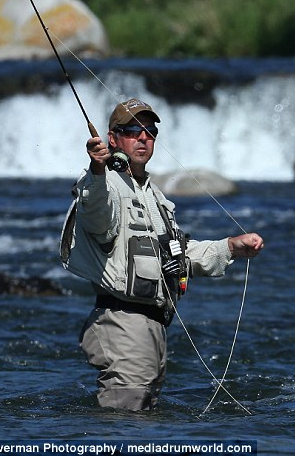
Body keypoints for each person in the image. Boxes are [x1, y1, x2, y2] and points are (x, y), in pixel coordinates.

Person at [60, 97, 264, 411]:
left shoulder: (153, 195)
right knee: (124, 422)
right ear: (113, 138)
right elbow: (98, 217)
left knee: (141, 419)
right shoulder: (103, 185)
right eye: (132, 130)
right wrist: (97, 170)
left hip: (153, 327)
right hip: (122, 321)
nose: (143, 137)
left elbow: (177, 253)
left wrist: (230, 247)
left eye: (150, 131)